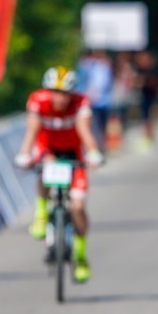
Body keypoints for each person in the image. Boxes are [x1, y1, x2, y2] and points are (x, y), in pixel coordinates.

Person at [14, 67, 104, 283]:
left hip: (74, 152)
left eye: (65, 93)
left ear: (72, 93)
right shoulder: (37, 101)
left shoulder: (81, 102)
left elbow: (84, 130)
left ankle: (81, 256)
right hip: (48, 149)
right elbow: (32, 129)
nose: (60, 97)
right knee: (44, 168)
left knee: (78, 207)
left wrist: (93, 153)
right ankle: (42, 215)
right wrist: (24, 154)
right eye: (55, 91)